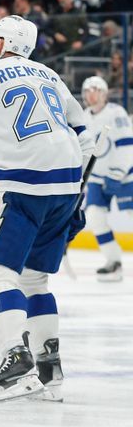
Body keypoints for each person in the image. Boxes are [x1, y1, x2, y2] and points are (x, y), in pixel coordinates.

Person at [0, 15, 94, 405]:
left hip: (20, 185)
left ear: (2, 44)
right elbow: (86, 136)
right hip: (66, 186)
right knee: (35, 281)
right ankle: (51, 373)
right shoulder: (49, 73)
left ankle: (15, 361)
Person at [80, 76, 133, 282]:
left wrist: (118, 172)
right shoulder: (84, 117)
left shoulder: (116, 113)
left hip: (124, 177)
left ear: (104, 93)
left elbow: (127, 144)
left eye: (95, 90)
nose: (90, 95)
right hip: (97, 179)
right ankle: (113, 262)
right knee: (94, 217)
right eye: (87, 91)